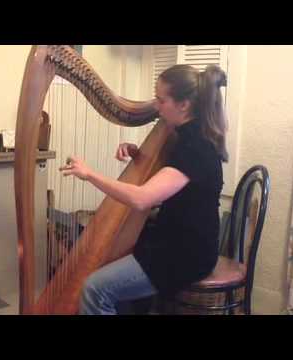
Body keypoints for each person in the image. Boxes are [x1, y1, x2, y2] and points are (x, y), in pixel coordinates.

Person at [60, 64, 228, 315]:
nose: (156, 107)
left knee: (95, 288)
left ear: (183, 105)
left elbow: (142, 198)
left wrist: (90, 174)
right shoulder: (186, 135)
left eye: (161, 100)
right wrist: (138, 154)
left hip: (187, 253)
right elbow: (172, 179)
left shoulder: (197, 147)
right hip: (174, 239)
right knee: (117, 263)